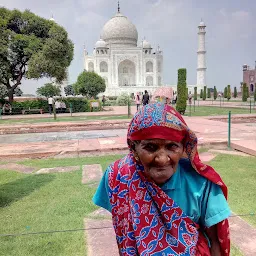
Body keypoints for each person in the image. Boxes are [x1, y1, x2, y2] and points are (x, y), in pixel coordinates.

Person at [93, 103, 230, 256]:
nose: (162, 159)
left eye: (172, 146)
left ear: (183, 147)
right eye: (150, 147)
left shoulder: (202, 183)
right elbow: (124, 229)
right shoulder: (118, 176)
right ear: (133, 147)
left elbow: (216, 240)